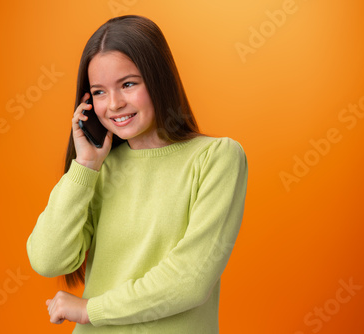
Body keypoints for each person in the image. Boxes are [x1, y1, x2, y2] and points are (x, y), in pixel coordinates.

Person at [26, 14, 248, 333]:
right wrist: (85, 167)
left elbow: (191, 280)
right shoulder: (99, 170)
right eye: (99, 92)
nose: (114, 104)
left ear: (158, 79)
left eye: (128, 84)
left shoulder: (216, 157)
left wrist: (92, 309)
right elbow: (48, 260)